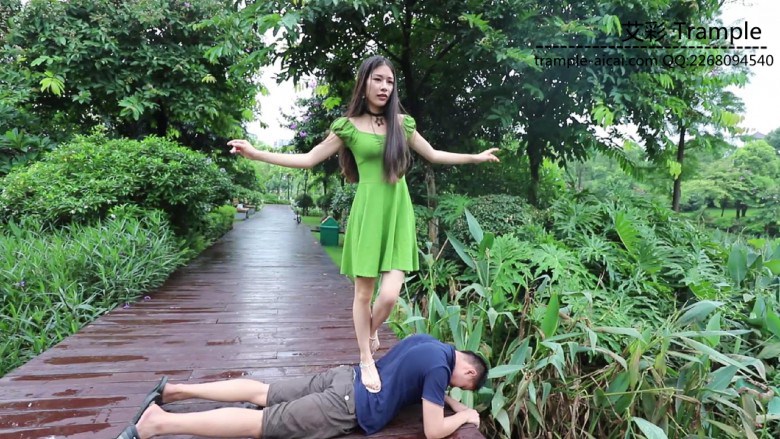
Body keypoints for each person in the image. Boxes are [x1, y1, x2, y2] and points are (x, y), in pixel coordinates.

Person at [228, 55, 499, 393]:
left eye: (390, 81)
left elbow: (433, 154)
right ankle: (365, 357)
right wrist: (257, 153)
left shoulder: (402, 124)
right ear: (365, 82)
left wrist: (474, 157)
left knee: (389, 296)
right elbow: (308, 159)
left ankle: (370, 331)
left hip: (398, 212)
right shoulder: (348, 126)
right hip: (368, 213)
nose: (385, 87)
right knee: (364, 293)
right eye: (378, 80)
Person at [116, 334, 489, 439]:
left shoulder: (429, 345)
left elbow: (427, 383)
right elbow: (432, 431)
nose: (456, 388)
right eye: (464, 387)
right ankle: (159, 423)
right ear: (469, 372)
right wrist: (465, 416)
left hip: (343, 377)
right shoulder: (440, 368)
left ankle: (175, 391)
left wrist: (453, 403)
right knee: (260, 424)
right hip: (348, 405)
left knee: (261, 393)